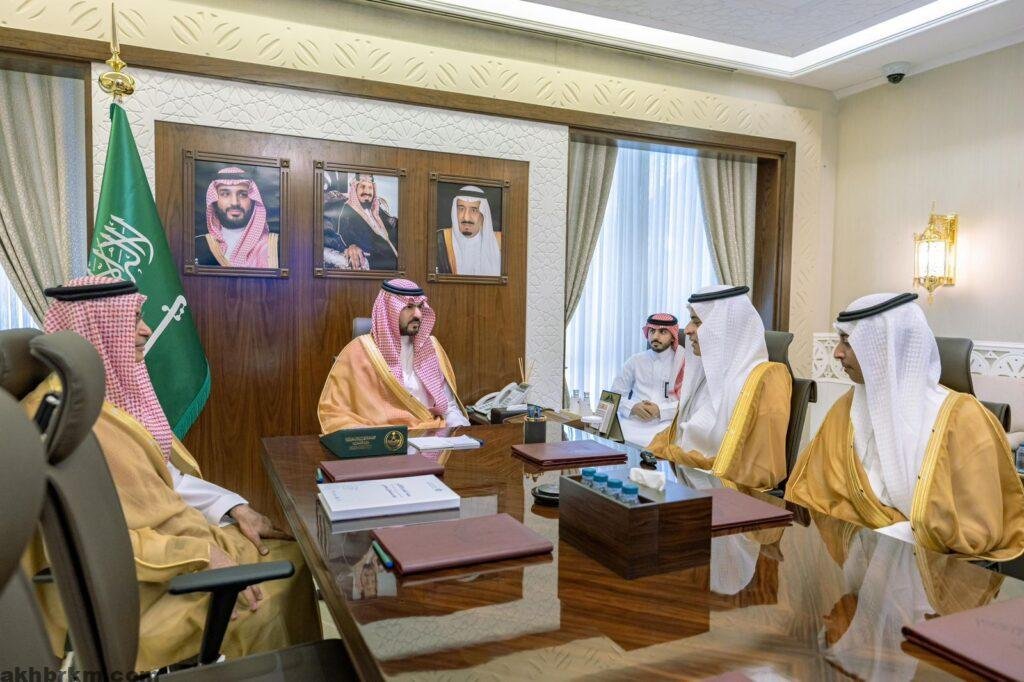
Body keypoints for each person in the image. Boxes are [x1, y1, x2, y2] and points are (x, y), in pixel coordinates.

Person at [22, 276, 317, 671]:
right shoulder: (62, 421)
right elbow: (87, 537)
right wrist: (201, 554)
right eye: (133, 320)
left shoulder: (98, 399)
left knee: (295, 557)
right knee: (272, 596)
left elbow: (162, 478)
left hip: (168, 549)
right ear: (95, 328)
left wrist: (236, 508)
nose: (147, 330)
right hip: (136, 587)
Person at [786, 292, 1024, 560]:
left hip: (925, 566)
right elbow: (810, 493)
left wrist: (888, 540)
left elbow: (977, 528)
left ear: (884, 347)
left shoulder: (964, 418)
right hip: (847, 555)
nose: (837, 353)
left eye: (848, 342)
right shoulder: (847, 408)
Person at [648, 285, 791, 490]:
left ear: (725, 327)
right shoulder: (705, 374)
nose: (687, 330)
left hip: (731, 497)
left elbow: (757, 470)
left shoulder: (764, 380)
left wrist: (677, 456)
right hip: (687, 482)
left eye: (697, 321)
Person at [318, 278, 469, 432]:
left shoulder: (431, 348)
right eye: (409, 307)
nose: (418, 314)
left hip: (431, 436)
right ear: (389, 310)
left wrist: (462, 433)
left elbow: (448, 407)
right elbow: (335, 412)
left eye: (420, 306)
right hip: (382, 440)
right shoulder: (358, 351)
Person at [610, 313, 685, 447]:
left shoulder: (682, 362)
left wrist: (660, 410)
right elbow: (613, 397)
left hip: (667, 424)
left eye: (663, 332)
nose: (655, 336)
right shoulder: (635, 361)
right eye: (652, 331)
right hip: (632, 423)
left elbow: (688, 403)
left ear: (673, 336)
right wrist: (632, 407)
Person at [195, 166, 277, 268]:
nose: (234, 202)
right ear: (214, 201)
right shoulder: (197, 246)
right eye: (225, 194)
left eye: (243, 194)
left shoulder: (276, 246)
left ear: (253, 200)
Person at [332, 173, 399, 271]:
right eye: (362, 186)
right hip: (377, 266)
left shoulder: (377, 210)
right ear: (355, 189)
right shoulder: (347, 211)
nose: (367, 191)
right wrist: (351, 247)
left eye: (370, 188)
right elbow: (342, 236)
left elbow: (392, 225)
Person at [436, 185, 501, 276]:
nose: (466, 217)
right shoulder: (439, 240)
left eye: (474, 210)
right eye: (461, 209)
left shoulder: (500, 242)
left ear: (483, 214)